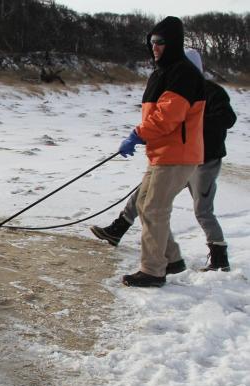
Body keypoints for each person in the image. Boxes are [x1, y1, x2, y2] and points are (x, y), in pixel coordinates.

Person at [91, 48, 236, 274]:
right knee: (145, 197)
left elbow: (228, 118)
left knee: (202, 210)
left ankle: (219, 257)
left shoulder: (212, 91)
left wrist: (192, 125)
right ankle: (118, 229)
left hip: (204, 161)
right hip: (174, 156)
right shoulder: (171, 88)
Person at [102, 16, 206, 287]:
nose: (155, 47)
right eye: (152, 42)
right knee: (144, 205)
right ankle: (171, 259)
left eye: (160, 42)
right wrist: (142, 138)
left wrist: (138, 135)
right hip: (163, 153)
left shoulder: (181, 72)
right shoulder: (164, 71)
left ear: (173, 44)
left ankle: (152, 271)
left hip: (177, 155)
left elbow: (167, 117)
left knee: (155, 209)